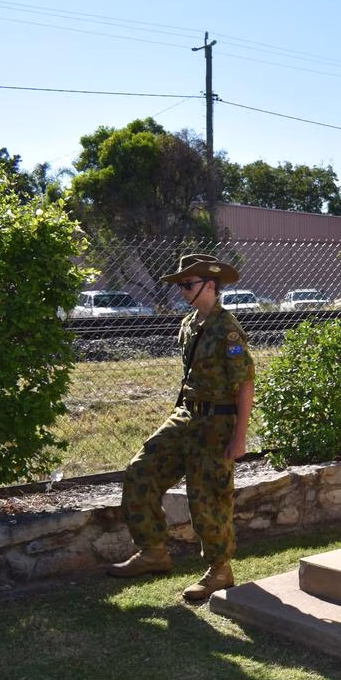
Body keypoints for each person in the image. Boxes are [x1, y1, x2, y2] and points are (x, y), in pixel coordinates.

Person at [107, 254, 255, 602]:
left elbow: (245, 384)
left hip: (216, 422)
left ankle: (220, 570)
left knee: (206, 497)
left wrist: (239, 438)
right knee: (140, 471)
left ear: (210, 286)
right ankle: (153, 551)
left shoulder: (228, 329)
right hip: (187, 415)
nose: (182, 290)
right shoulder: (188, 324)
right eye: (181, 285)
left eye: (188, 284)